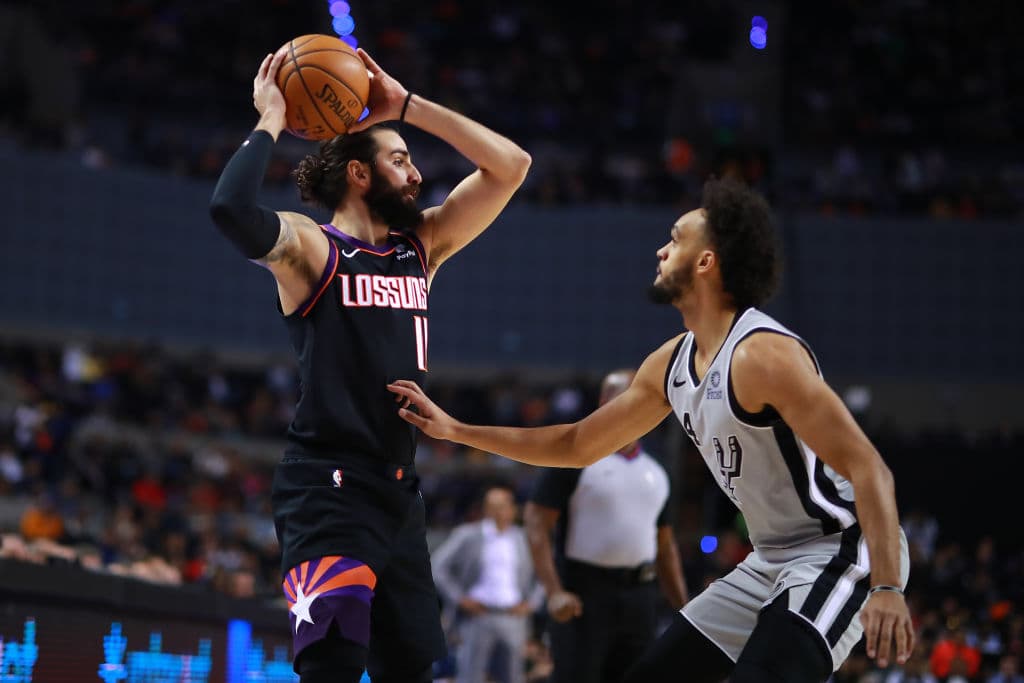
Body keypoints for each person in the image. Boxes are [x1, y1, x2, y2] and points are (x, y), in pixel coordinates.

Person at [387, 178, 914, 683]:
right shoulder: (671, 363)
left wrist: (888, 585)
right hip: (768, 559)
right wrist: (457, 430)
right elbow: (577, 444)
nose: (661, 250)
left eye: (676, 239)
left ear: (707, 262)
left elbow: (869, 469)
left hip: (840, 549)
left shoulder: (763, 356)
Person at [208, 46, 531, 683]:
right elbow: (231, 211)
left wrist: (407, 107)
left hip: (398, 493)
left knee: (412, 672)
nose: (416, 175)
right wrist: (271, 117)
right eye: (401, 160)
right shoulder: (312, 246)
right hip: (327, 487)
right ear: (359, 174)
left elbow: (512, 166)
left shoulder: (422, 247)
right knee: (332, 667)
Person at [524, 369, 687, 683]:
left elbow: (666, 545)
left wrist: (684, 609)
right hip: (583, 595)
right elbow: (536, 523)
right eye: (624, 398)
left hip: (640, 596)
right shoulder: (575, 456)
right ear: (603, 402)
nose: (633, 407)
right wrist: (554, 591)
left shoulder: (657, 469)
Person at [431, 484, 538, 683]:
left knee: (513, 676)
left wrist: (532, 603)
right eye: (493, 506)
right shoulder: (468, 535)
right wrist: (459, 598)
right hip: (478, 615)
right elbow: (438, 566)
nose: (499, 511)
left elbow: (541, 575)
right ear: (486, 509)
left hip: (513, 616)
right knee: (471, 675)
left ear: (513, 509)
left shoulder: (522, 538)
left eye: (503, 505)